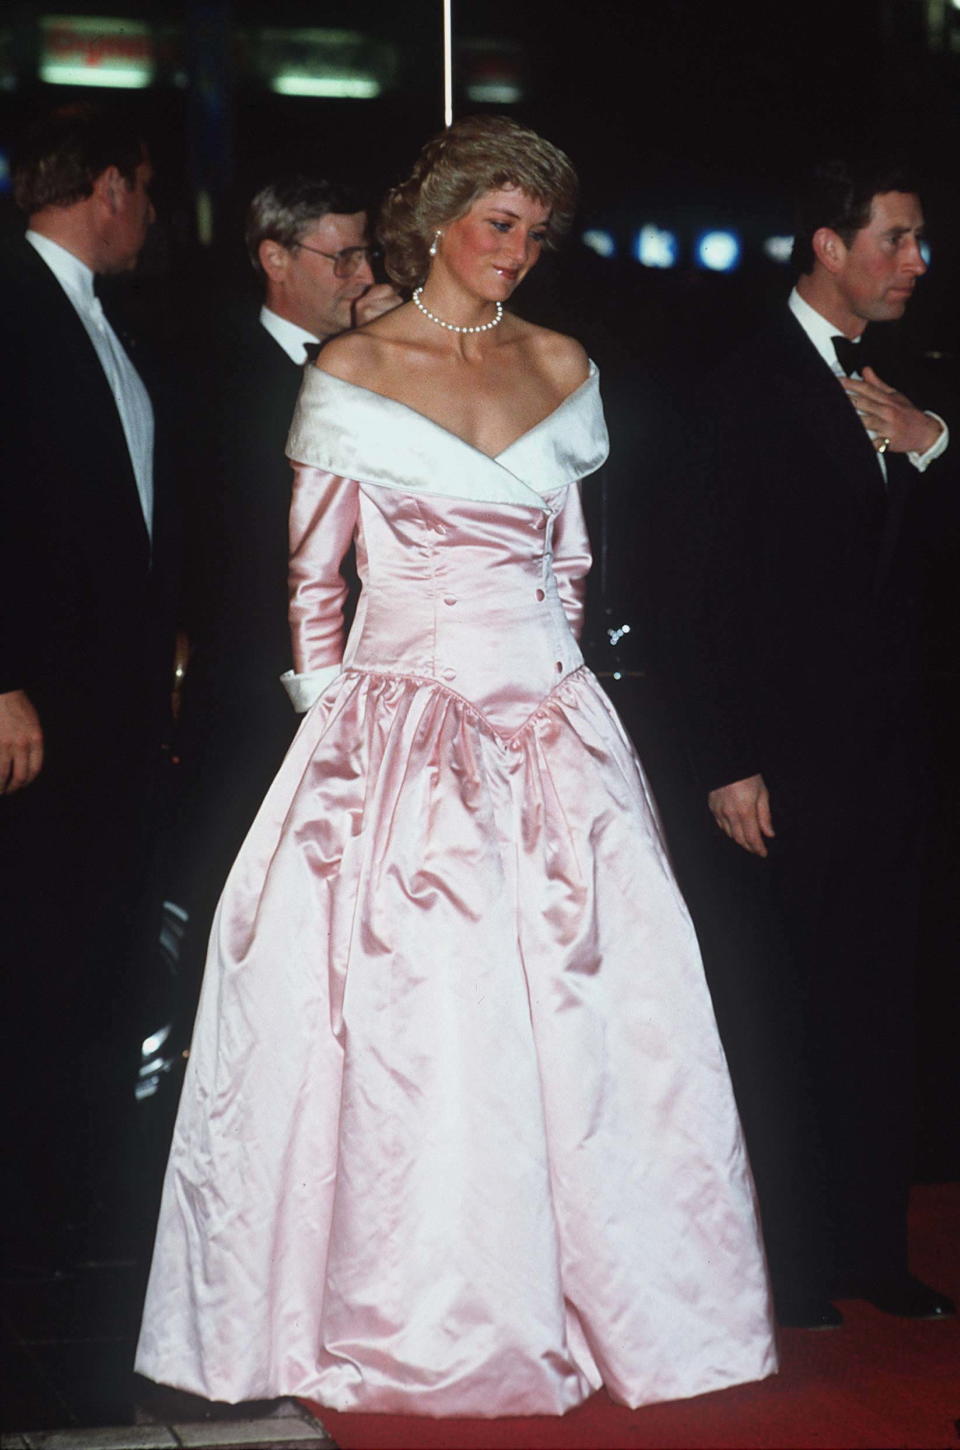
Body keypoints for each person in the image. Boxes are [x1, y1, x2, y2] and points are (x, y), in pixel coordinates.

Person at [136, 116, 776, 1416]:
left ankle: (618, 1295)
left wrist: (559, 693)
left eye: (537, 234)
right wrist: (339, 736)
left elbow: (573, 568)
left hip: (550, 721)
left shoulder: (563, 361)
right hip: (396, 727)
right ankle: (417, 1306)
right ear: (435, 218)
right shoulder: (353, 368)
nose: (518, 253)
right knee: (418, 1023)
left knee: (602, 1016)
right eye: (499, 224)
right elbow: (314, 583)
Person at [649, 153, 957, 1327]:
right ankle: (792, 1268)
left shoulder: (910, 378)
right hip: (773, 766)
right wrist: (723, 757)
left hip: (893, 761)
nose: (918, 261)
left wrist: (935, 447)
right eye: (898, 237)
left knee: (882, 1010)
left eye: (922, 239)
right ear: (828, 245)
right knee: (778, 1017)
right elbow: (688, 595)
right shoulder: (728, 381)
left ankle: (873, 1254)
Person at [0, 104, 176, 1266]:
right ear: (107, 186)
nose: (153, 219)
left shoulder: (98, 317)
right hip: (37, 704)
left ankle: (67, 1202)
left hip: (105, 707)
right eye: (147, 193)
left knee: (82, 947)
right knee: (34, 945)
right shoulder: (13, 304)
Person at [169, 177, 401, 939]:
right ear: (275, 257)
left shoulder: (387, 365)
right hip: (250, 687)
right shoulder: (210, 376)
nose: (363, 276)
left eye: (367, 254)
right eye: (342, 258)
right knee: (244, 899)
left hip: (375, 678)